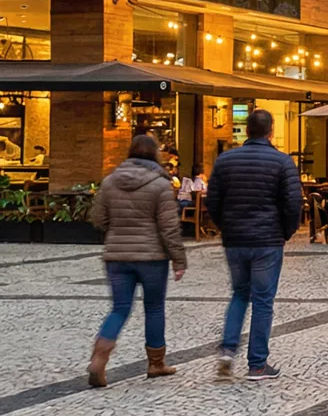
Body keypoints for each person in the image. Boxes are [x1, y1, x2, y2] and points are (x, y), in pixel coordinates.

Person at [205, 109, 302, 381]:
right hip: (267, 240)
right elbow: (294, 204)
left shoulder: (224, 160)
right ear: (271, 131)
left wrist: (225, 227)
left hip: (235, 239)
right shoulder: (283, 162)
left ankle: (227, 351)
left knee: (239, 294)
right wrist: (286, 232)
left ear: (246, 131)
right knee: (262, 301)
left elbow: (212, 201)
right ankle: (257, 364)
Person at [86, 134, 187, 387]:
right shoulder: (161, 185)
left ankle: (99, 358)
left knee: (120, 308)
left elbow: (98, 219)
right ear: (155, 154)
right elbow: (169, 228)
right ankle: (156, 363)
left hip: (117, 256)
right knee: (153, 308)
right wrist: (179, 259)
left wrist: (117, 231)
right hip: (152, 257)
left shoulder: (109, 182)